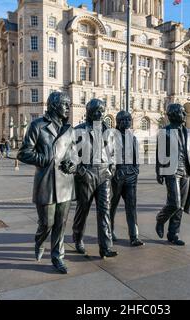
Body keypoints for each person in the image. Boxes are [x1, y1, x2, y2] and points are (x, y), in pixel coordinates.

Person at [17, 92, 77, 274]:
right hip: (46, 183)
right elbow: (23, 153)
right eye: (65, 104)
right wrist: (43, 159)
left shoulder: (70, 130)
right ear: (53, 106)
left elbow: (74, 153)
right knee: (47, 223)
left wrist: (73, 164)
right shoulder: (38, 126)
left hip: (65, 184)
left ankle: (58, 257)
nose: (68, 108)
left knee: (61, 224)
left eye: (69, 104)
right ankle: (39, 240)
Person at [72, 99, 118, 259]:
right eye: (97, 111)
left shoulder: (109, 131)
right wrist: (81, 171)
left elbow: (113, 152)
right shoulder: (78, 130)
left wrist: (112, 167)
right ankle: (77, 238)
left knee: (104, 210)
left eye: (102, 110)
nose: (100, 114)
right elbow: (71, 155)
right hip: (87, 174)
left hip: (104, 174)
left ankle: (105, 247)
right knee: (82, 209)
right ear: (89, 112)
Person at [155, 104, 190, 246]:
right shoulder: (165, 132)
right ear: (175, 115)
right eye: (182, 113)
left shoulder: (187, 132)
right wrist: (159, 172)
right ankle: (160, 219)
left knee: (181, 205)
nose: (184, 115)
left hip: (186, 171)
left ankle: (173, 234)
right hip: (171, 171)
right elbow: (160, 154)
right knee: (174, 203)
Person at [109, 111, 144, 247]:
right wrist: (112, 172)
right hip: (116, 176)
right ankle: (109, 230)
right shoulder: (111, 137)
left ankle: (134, 236)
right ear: (118, 121)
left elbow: (136, 156)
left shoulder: (132, 138)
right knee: (112, 205)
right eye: (124, 120)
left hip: (130, 176)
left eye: (129, 120)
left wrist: (135, 170)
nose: (127, 122)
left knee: (131, 206)